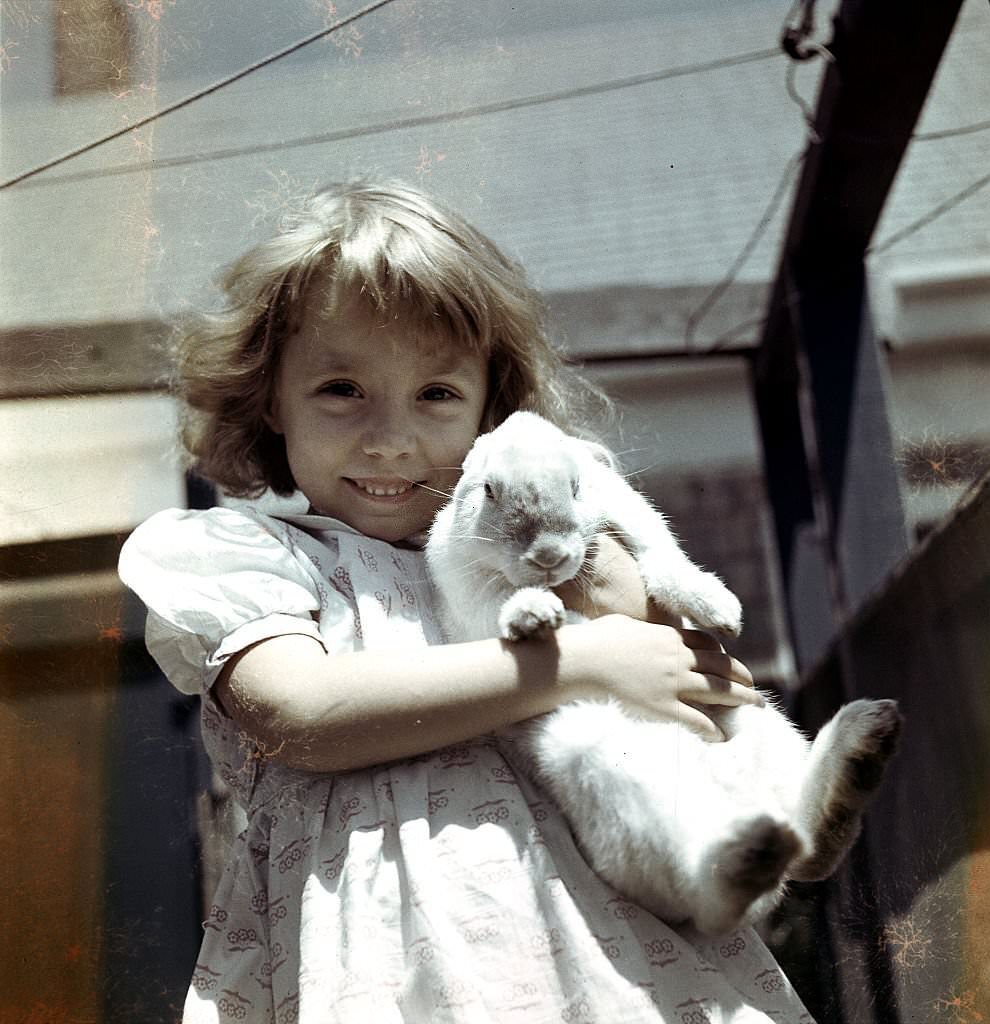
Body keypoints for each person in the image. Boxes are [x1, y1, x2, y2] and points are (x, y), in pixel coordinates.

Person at [119, 180, 814, 1022]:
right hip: (389, 959)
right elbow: (300, 713)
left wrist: (603, 588)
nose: (389, 437)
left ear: (494, 413)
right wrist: (578, 662)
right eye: (341, 388)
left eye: (437, 395)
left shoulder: (536, 557)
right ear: (271, 396)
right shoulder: (252, 558)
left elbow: (697, 675)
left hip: (611, 954)